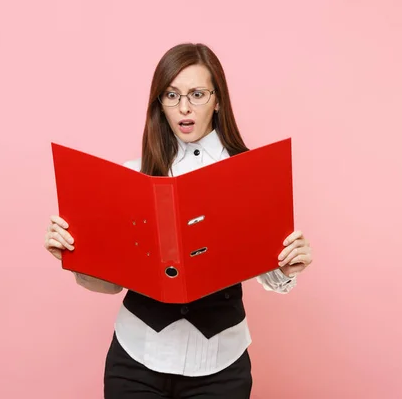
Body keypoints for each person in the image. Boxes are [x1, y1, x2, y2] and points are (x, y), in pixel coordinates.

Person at [44, 43, 313, 399]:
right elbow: (110, 285)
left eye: (197, 94)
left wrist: (290, 263)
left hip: (221, 366)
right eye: (171, 95)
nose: (184, 107)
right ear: (160, 103)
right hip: (136, 360)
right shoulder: (133, 177)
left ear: (218, 100)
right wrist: (72, 254)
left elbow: (272, 275)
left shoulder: (250, 173)